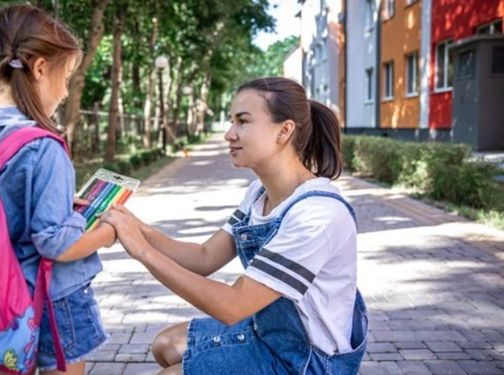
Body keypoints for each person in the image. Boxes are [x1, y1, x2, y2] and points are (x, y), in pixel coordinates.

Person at [102, 77, 368, 374]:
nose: (229, 134)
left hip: (307, 362)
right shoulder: (259, 193)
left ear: (284, 130)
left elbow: (232, 306)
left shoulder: (317, 214)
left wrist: (141, 251)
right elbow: (204, 257)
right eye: (232, 121)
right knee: (165, 345)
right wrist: (137, 227)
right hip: (266, 334)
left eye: (243, 121)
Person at [0, 4, 115, 374]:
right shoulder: (43, 146)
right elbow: (56, 244)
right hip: (54, 298)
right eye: (68, 75)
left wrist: (62, 205)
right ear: (41, 68)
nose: (65, 90)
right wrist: (110, 231)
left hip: (2, 294)